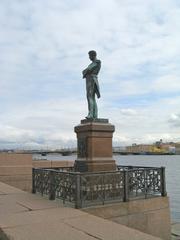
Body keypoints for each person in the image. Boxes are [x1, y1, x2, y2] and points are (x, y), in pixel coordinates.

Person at [82, 50, 101, 119]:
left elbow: (88, 69)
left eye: (89, 56)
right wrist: (85, 71)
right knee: (92, 97)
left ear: (93, 55)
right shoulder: (93, 63)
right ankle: (94, 115)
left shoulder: (97, 62)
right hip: (90, 80)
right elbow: (87, 70)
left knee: (90, 97)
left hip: (92, 80)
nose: (89, 57)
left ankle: (91, 114)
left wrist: (84, 71)